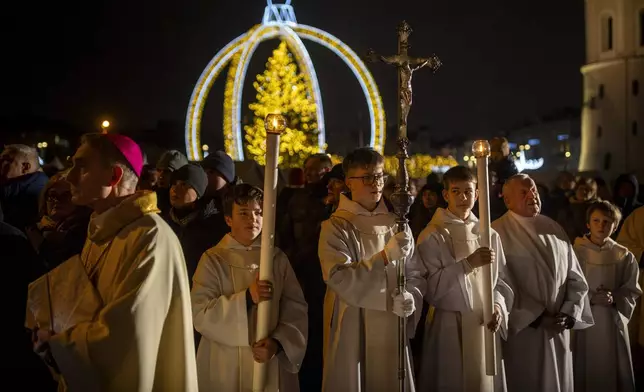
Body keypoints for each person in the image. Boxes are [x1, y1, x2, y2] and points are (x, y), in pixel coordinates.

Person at [28, 133, 198, 391]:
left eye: (81, 167)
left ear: (114, 177)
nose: (69, 176)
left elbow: (126, 338)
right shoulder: (101, 228)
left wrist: (60, 346)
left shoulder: (148, 236)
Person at [317, 147, 423, 391]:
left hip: (392, 319)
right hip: (352, 321)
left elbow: (415, 273)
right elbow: (338, 277)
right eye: (367, 177)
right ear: (348, 182)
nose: (375, 183)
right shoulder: (336, 227)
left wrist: (410, 296)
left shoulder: (398, 222)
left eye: (379, 176)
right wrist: (385, 257)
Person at [191, 184, 307, 391]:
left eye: (258, 212)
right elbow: (200, 312)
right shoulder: (213, 259)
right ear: (228, 219)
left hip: (269, 359)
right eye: (243, 213)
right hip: (225, 362)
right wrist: (246, 298)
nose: (252, 219)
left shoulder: (277, 258)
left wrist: (278, 344)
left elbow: (295, 308)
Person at [413, 166, 513, 391]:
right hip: (448, 323)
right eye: (456, 191)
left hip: (483, 322)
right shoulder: (432, 235)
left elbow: (501, 280)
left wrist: (497, 306)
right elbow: (431, 288)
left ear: (477, 194)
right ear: (446, 195)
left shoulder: (488, 234)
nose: (463, 197)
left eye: (468, 191)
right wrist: (468, 264)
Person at [491, 173, 594, 392]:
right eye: (524, 192)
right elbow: (497, 283)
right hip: (524, 333)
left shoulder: (554, 228)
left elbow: (575, 278)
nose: (532, 196)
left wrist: (568, 313)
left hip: (558, 329)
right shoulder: (496, 233)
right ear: (507, 200)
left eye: (534, 190)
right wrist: (536, 318)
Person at [573, 201, 641, 392]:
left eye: (607, 222)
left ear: (615, 226)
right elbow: (567, 286)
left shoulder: (623, 255)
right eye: (596, 220)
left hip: (612, 320)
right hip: (585, 320)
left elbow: (631, 289)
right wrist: (589, 299)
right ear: (588, 224)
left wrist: (615, 297)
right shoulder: (576, 252)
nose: (601, 226)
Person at [0, 144, 49, 231]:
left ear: (25, 167)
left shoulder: (35, 193)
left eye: (6, 160)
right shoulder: (15, 188)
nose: (1, 163)